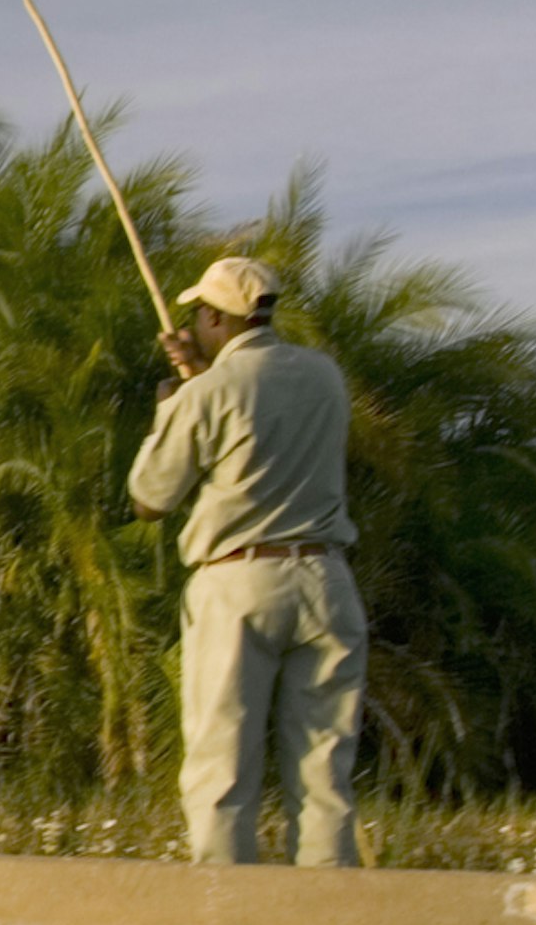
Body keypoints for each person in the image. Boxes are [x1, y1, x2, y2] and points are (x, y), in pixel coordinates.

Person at [127, 254, 366, 867]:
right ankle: (326, 914)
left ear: (213, 316)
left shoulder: (204, 393)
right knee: (323, 772)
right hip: (327, 580)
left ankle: (225, 909)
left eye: (200, 315)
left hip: (240, 583)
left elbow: (150, 497)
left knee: (222, 767)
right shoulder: (324, 376)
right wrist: (202, 377)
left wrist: (174, 404)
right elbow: (258, 399)